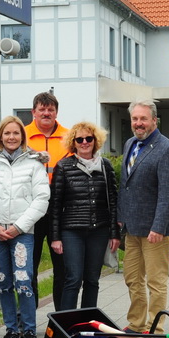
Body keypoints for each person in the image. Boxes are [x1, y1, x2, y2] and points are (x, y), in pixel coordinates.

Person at [0, 116, 50, 338]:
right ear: (0, 136)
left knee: (24, 282)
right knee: (3, 282)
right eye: (7, 133)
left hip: (22, 233)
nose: (11, 137)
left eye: (16, 133)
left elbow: (41, 198)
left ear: (22, 136)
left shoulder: (34, 164)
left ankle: (28, 330)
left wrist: (18, 226)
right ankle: (11, 330)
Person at [116, 99, 169, 334]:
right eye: (135, 119)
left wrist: (158, 227)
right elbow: (126, 185)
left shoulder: (167, 149)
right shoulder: (130, 144)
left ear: (154, 120)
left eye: (143, 119)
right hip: (132, 227)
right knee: (132, 278)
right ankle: (136, 323)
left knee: (156, 281)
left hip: (156, 229)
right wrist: (120, 218)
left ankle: (155, 327)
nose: (138, 123)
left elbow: (167, 194)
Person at [49, 121, 120, 309]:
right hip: (72, 232)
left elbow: (113, 202)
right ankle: (66, 326)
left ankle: (87, 322)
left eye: (89, 138)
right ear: (74, 142)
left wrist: (115, 233)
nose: (84, 142)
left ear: (95, 140)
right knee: (73, 279)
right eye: (79, 139)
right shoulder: (63, 167)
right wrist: (55, 237)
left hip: (99, 231)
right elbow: (55, 205)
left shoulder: (105, 166)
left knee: (92, 279)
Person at [24, 92, 69, 311]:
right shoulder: (21, 136)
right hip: (30, 208)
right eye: (41, 109)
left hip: (59, 209)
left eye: (50, 109)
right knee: (29, 266)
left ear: (56, 112)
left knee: (62, 267)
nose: (46, 113)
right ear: (33, 112)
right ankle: (29, 319)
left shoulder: (69, 137)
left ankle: (61, 316)